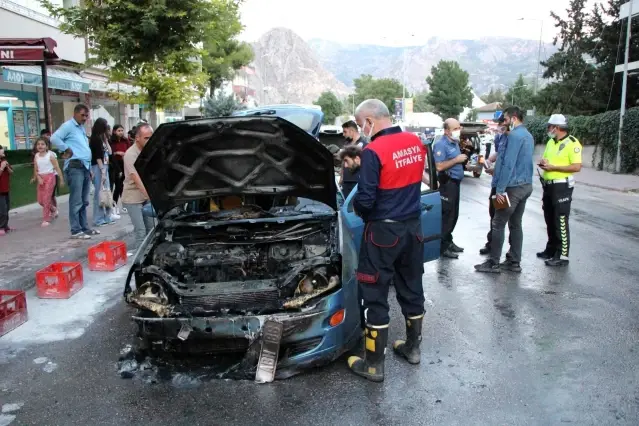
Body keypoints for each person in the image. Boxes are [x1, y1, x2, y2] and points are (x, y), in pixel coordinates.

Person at [346, 99, 426, 383]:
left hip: (382, 234)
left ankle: (374, 364)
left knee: (375, 294)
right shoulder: (416, 142)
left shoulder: (373, 151)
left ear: (370, 120)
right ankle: (413, 349)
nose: (360, 129)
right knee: (412, 287)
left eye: (359, 124)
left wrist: (359, 211)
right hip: (413, 229)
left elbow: (365, 199)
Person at [475, 106, 534, 273]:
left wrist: (500, 189)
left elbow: (508, 164)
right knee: (516, 224)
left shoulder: (514, 136)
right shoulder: (528, 135)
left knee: (498, 223)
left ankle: (493, 262)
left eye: (505, 120)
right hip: (525, 186)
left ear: (513, 119)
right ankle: (514, 262)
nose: (503, 123)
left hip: (512, 188)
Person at [537, 114, 582, 267]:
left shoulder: (572, 143)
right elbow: (547, 159)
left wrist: (554, 167)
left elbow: (576, 166)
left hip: (562, 186)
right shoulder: (551, 141)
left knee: (560, 219)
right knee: (549, 217)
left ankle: (562, 254)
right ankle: (550, 249)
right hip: (548, 184)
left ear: (556, 127)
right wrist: (543, 163)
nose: (548, 129)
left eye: (549, 126)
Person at [51, 104, 99, 239]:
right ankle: (76, 230)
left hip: (84, 166)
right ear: (75, 113)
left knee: (84, 200)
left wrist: (89, 168)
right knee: (76, 200)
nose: (84, 118)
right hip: (75, 166)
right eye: (82, 115)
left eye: (86, 115)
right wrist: (66, 148)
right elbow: (54, 138)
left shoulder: (81, 128)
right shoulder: (68, 126)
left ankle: (84, 228)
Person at [433, 118, 467, 259]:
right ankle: (441, 247)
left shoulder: (455, 143)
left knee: (454, 215)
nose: (458, 131)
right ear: (447, 130)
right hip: (447, 184)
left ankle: (448, 241)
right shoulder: (441, 144)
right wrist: (456, 160)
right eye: (455, 129)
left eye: (459, 128)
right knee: (447, 216)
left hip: (456, 183)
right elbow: (439, 166)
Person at [480, 115, 512, 256]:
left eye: (501, 123)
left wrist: (496, 170)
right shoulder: (501, 137)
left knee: (501, 219)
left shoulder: (513, 139)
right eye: (498, 124)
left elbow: (508, 162)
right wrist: (489, 160)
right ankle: (491, 244)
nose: (499, 126)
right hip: (497, 184)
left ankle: (497, 253)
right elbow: (499, 153)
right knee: (494, 215)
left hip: (504, 186)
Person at [122, 124, 154, 248]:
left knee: (151, 230)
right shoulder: (130, 154)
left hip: (145, 196)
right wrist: (151, 197)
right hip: (133, 197)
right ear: (137, 138)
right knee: (141, 231)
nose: (149, 141)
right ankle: (139, 263)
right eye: (146, 138)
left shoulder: (149, 151)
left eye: (151, 137)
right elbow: (136, 179)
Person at [89, 118, 118, 226]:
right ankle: (98, 218)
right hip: (99, 167)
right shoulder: (95, 139)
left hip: (104, 166)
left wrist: (106, 140)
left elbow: (110, 152)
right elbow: (97, 157)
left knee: (106, 192)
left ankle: (107, 216)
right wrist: (102, 171)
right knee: (99, 193)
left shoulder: (102, 139)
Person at [31, 137, 64, 227]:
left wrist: (61, 179)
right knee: (40, 200)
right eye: (38, 144)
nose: (40, 146)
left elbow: (57, 168)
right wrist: (36, 177)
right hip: (41, 178)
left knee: (46, 199)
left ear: (46, 146)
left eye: (42, 144)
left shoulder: (51, 156)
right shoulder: (36, 156)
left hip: (50, 177)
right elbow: (36, 169)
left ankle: (46, 219)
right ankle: (53, 209)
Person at [339, 120, 368, 199]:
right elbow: (343, 161)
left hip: (356, 181)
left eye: (345, 132)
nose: (343, 134)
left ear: (352, 131)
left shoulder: (364, 144)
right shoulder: (346, 143)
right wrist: (342, 176)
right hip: (346, 181)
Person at [109, 124, 129, 215]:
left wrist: (125, 154)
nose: (121, 132)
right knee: (118, 186)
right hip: (115, 165)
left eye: (122, 130)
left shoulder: (125, 140)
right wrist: (117, 152)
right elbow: (111, 154)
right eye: (119, 131)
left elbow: (129, 151)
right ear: (114, 131)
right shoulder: (111, 142)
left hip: (124, 164)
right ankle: (114, 205)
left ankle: (124, 205)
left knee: (123, 186)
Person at [0, 145, 13, 235]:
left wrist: (7, 167)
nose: (3, 151)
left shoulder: (4, 161)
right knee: (2, 210)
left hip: (6, 189)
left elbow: (11, 172)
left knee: (7, 208)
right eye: (1, 150)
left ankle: (5, 225)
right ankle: (1, 227)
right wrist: (1, 167)